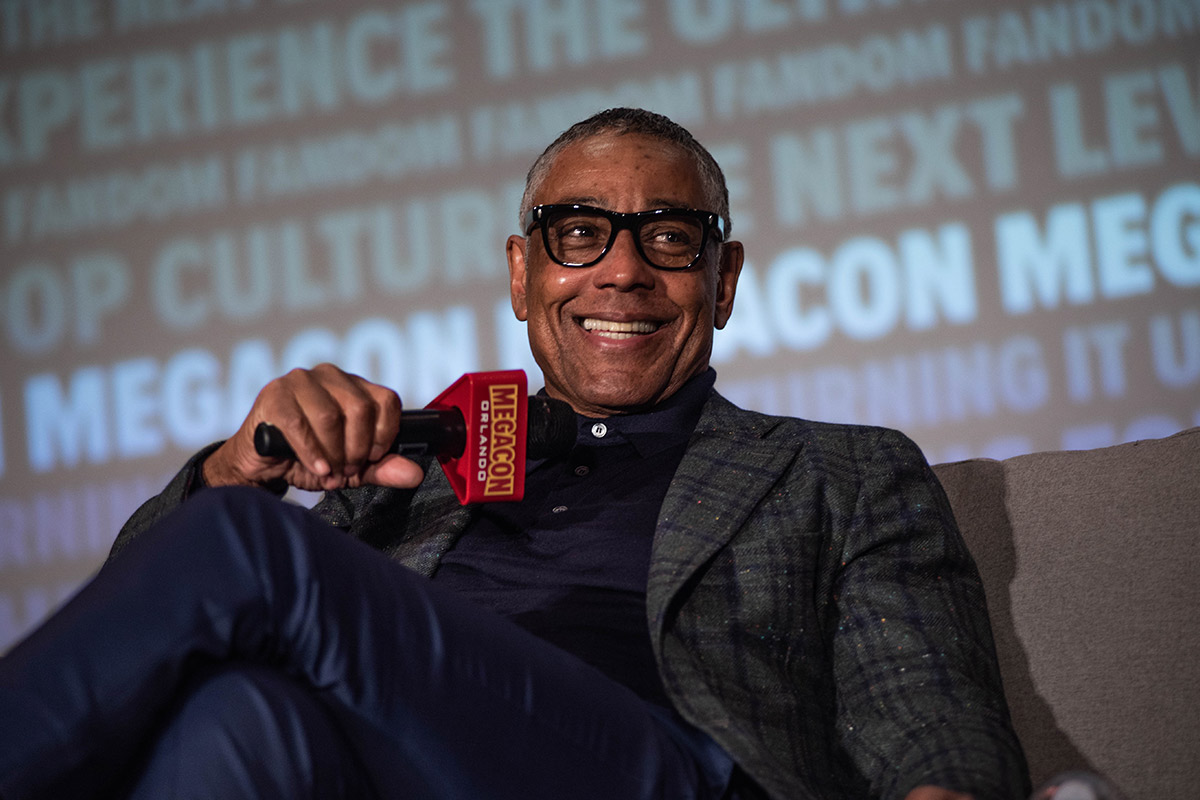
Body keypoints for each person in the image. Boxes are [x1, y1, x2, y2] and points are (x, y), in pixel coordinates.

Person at [0, 108, 1030, 800]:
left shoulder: (840, 472)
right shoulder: (421, 460)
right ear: (521, 273)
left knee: (251, 548)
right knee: (239, 712)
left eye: (670, 238)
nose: (621, 270)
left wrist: (242, 522)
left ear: (723, 280)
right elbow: (139, 618)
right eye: (579, 232)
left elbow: (932, 720)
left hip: (660, 768)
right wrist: (241, 466)